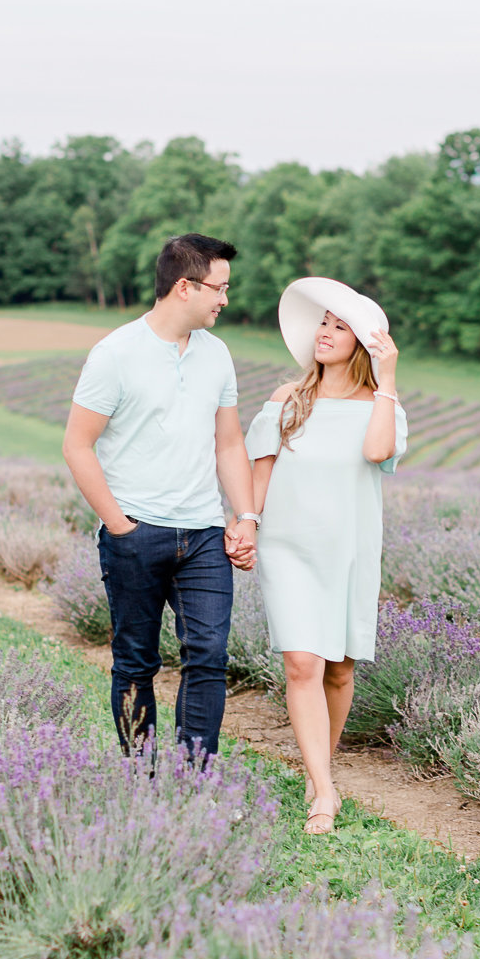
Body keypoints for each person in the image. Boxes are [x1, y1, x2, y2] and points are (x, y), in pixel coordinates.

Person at [63, 234, 259, 761]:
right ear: (184, 287)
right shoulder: (115, 353)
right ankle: (142, 779)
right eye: (219, 288)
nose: (225, 299)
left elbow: (230, 442)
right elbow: (77, 445)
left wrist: (245, 517)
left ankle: (196, 778)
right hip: (136, 532)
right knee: (135, 662)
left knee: (209, 657)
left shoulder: (217, 355)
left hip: (203, 534)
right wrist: (119, 525)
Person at [245, 277, 406, 832]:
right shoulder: (285, 400)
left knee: (339, 669)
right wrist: (246, 524)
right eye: (324, 323)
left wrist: (387, 380)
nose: (326, 333)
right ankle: (325, 796)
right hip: (287, 546)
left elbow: (378, 451)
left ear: (362, 343)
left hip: (349, 548)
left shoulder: (381, 407)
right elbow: (260, 469)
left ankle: (319, 775)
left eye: (341, 327)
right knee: (303, 662)